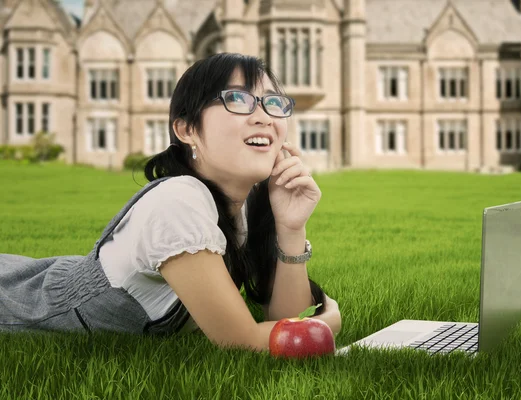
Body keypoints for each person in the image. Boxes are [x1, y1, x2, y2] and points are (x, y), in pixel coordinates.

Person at [0, 53, 341, 353]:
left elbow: (286, 320)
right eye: (238, 99)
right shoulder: (177, 202)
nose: (264, 116)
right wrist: (328, 322)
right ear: (186, 129)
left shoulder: (248, 206)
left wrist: (291, 226)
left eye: (273, 102)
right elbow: (244, 341)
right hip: (18, 303)